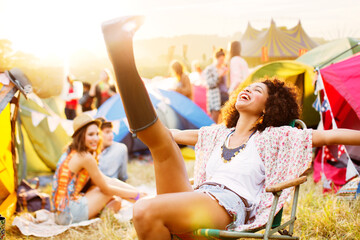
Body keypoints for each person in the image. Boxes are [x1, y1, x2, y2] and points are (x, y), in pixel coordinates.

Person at [102, 16, 360, 239]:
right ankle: (120, 49)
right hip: (196, 198)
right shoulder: (217, 134)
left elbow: (330, 135)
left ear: (268, 109)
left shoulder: (272, 137)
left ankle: (120, 48)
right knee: (159, 141)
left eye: (257, 90)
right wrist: (146, 129)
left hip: (225, 207)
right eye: (247, 86)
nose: (247, 89)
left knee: (144, 209)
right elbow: (167, 135)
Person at [52, 113, 145, 225]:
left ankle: (142, 200)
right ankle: (144, 200)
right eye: (91, 134)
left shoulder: (72, 151)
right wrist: (136, 195)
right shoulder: (85, 157)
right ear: (81, 136)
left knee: (115, 200)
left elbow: (105, 180)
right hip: (68, 214)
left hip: (60, 212)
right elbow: (106, 189)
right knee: (107, 191)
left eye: (97, 134)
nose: (96, 138)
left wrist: (134, 192)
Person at [97, 117, 129, 181]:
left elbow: (123, 176)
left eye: (111, 132)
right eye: (107, 132)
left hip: (113, 185)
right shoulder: (90, 151)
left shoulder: (120, 149)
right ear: (98, 134)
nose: (111, 135)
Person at [203, 48, 229, 123]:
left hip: (224, 95)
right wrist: (220, 75)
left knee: (225, 120)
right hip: (215, 96)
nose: (222, 62)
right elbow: (210, 84)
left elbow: (226, 84)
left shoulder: (224, 68)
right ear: (216, 59)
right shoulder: (210, 69)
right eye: (220, 60)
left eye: (223, 60)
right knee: (215, 120)